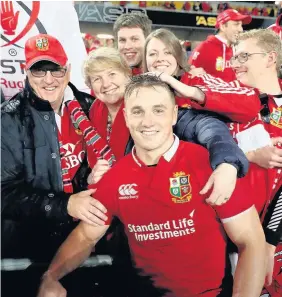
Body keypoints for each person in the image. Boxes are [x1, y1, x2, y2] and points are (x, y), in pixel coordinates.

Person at [37, 75, 266, 297]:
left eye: (158, 110)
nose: (148, 122)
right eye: (138, 112)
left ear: (174, 115)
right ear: (126, 117)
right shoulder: (115, 177)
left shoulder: (210, 166)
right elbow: (86, 237)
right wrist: (51, 277)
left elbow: (250, 241)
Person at [85, 47, 250, 206]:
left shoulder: (150, 99)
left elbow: (204, 125)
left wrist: (227, 162)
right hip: (111, 203)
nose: (106, 84)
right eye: (96, 78)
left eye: (112, 74)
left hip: (156, 201)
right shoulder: (93, 110)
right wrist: (91, 177)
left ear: (127, 75)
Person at [1, 34, 108, 263]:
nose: (48, 79)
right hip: (29, 248)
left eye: (55, 69)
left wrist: (93, 179)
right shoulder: (8, 118)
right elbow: (5, 193)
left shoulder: (91, 107)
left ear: (67, 70)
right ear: (27, 72)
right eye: (39, 70)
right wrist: (65, 204)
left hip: (87, 240)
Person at [229, 29, 282, 297]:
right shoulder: (225, 105)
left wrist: (270, 241)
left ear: (270, 58)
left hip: (275, 235)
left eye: (244, 56)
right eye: (234, 57)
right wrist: (249, 155)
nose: (236, 63)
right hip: (232, 234)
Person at [143, 28, 261, 123]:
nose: (160, 59)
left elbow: (251, 104)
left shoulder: (197, 79)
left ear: (178, 56)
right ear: (145, 59)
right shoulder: (137, 89)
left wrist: (193, 92)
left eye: (168, 52)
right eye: (153, 54)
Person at [189, 9, 252, 81]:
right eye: (236, 24)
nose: (241, 29)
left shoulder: (235, 49)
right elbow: (189, 78)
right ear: (223, 27)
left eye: (241, 25)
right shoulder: (205, 48)